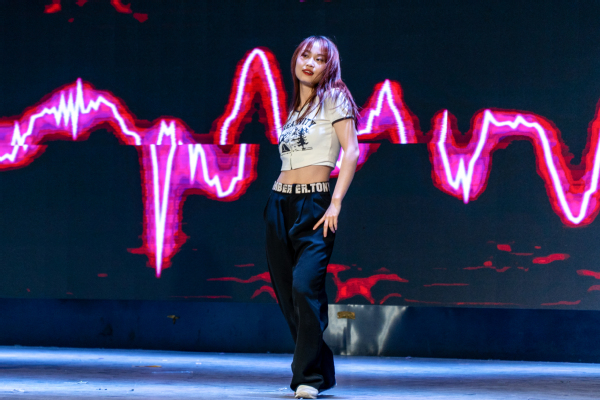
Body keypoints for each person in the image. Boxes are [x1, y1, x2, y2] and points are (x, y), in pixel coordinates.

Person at [264, 36, 360, 399]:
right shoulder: (293, 111)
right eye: (305, 55)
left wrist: (335, 202)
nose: (309, 63)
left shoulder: (334, 98)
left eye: (319, 59)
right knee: (287, 296)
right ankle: (319, 367)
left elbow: (351, 151)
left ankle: (307, 378)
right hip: (279, 203)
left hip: (315, 206)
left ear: (328, 67)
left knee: (305, 288)